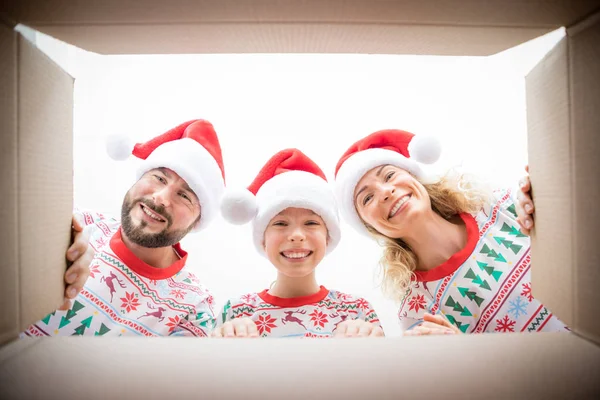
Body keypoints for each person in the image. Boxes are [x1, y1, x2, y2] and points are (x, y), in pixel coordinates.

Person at [333, 129, 567, 335]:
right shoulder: (417, 311)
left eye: (389, 175)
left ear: (414, 176)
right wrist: (456, 352)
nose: (385, 192)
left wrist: (554, 198)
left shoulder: (498, 205)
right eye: (367, 197)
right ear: (369, 226)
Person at [22, 119, 226, 337]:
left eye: (185, 196)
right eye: (159, 178)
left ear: (197, 221)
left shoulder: (194, 310)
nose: (161, 198)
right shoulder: (73, 226)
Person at [215, 148, 384, 338]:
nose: (296, 235)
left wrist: (370, 346)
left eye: (311, 223)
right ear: (262, 239)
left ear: (328, 236)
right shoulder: (236, 312)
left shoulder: (356, 312)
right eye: (280, 223)